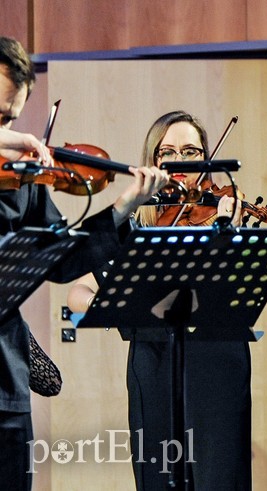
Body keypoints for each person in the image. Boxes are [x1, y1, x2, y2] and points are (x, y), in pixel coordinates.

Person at [0, 36, 169, 491]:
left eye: (12, 118)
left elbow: (62, 262)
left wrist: (123, 207)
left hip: (5, 379)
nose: (11, 131)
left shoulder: (22, 178)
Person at [67, 111, 250, 490]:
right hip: (153, 364)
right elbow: (77, 293)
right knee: (159, 478)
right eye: (167, 151)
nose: (179, 160)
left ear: (207, 158)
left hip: (216, 362)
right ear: (154, 161)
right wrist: (122, 302)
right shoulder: (137, 226)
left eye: (190, 150)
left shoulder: (224, 212)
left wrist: (227, 233)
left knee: (218, 478)